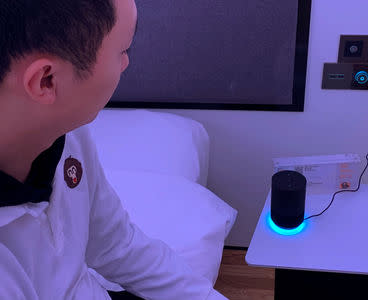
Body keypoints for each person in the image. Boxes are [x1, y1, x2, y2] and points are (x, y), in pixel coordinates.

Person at [0, 0, 227, 299]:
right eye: (123, 51)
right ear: (47, 80)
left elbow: (118, 244)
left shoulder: (67, 132)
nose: (126, 64)